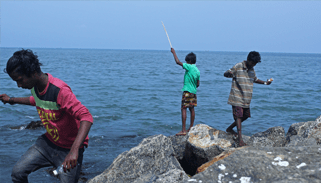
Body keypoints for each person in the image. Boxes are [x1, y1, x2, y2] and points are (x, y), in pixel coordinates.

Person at [0, 49, 93, 183]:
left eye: (20, 80)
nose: (19, 85)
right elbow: (36, 100)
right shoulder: (35, 86)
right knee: (17, 173)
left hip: (69, 147)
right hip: (48, 143)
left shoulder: (59, 90)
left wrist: (74, 151)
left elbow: (86, 117)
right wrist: (11, 100)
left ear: (33, 73)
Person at [224, 51, 272, 147]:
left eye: (255, 64)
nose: (254, 65)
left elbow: (254, 79)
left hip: (246, 98)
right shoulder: (238, 66)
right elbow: (226, 74)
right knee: (238, 117)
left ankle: (229, 129)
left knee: (245, 116)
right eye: (253, 63)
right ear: (248, 60)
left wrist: (266, 83)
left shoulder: (251, 70)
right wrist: (229, 73)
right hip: (237, 97)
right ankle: (240, 140)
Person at [171, 48, 200, 136]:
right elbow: (198, 84)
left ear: (190, 61)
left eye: (187, 61)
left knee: (183, 108)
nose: (186, 63)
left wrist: (174, 53)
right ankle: (191, 127)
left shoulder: (189, 66)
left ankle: (183, 130)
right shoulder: (197, 70)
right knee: (192, 109)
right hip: (193, 92)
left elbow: (177, 62)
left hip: (187, 91)